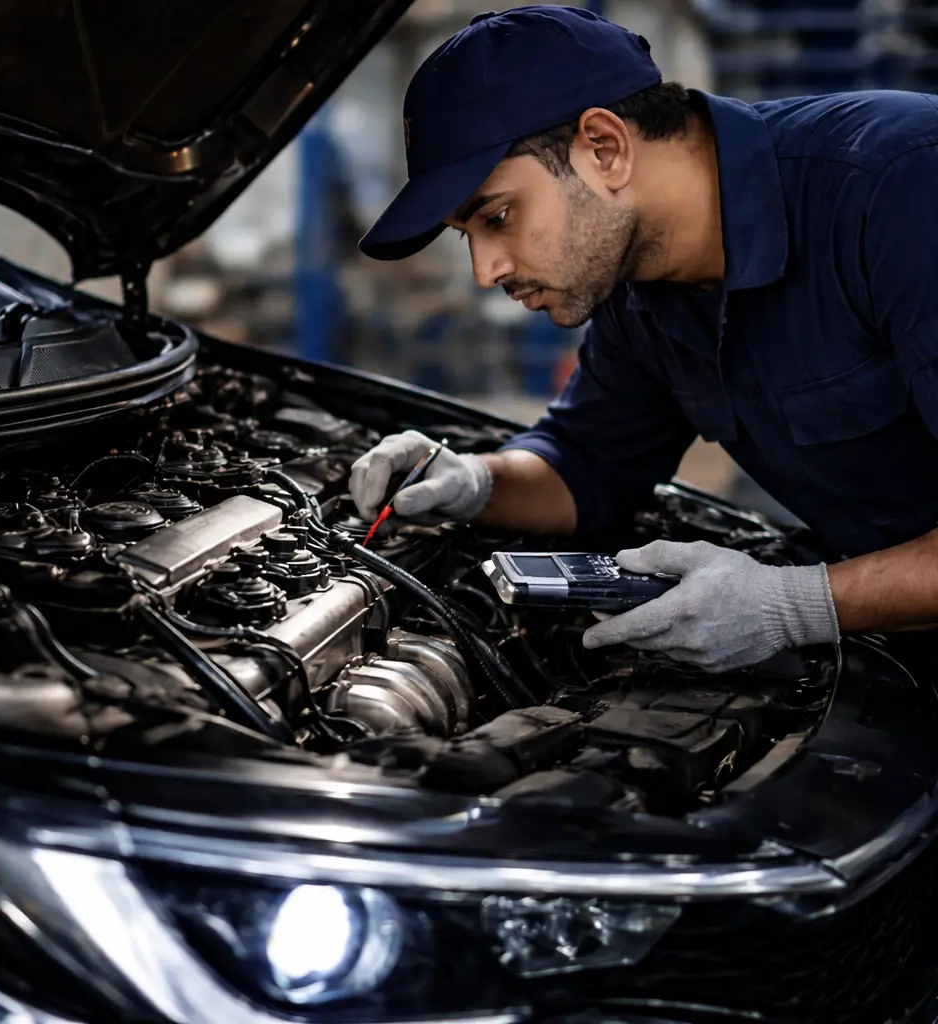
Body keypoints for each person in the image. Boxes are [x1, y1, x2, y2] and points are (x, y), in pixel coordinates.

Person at [348, 5, 938, 673]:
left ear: (606, 147)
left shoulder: (901, 187)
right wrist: (476, 481)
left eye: (499, 216)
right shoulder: (641, 286)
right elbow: (588, 463)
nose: (487, 271)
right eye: (468, 236)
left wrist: (793, 604)